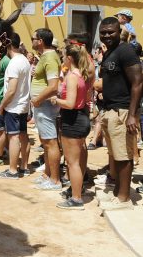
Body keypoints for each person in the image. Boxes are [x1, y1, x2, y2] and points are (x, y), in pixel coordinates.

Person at [97, 17, 142, 211]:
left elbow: (138, 83)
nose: (107, 35)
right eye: (103, 32)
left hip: (122, 111)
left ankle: (124, 198)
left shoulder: (125, 51)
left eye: (111, 32)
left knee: (124, 156)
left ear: (118, 31)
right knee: (115, 154)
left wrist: (132, 114)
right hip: (109, 110)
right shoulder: (110, 53)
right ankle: (118, 192)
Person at [50, 42, 91, 209]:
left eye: (63, 56)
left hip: (73, 120)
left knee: (72, 162)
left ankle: (76, 198)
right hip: (80, 119)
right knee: (77, 160)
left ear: (69, 58)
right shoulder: (80, 75)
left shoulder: (72, 77)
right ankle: (76, 191)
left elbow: (70, 103)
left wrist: (55, 100)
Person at [0, 33, 31, 179]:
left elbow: (11, 90)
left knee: (14, 137)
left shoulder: (14, 63)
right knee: (23, 136)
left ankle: (13, 170)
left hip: (14, 105)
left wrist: (2, 105)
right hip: (23, 105)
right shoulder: (24, 60)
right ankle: (24, 167)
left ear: (8, 45)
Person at [30, 28, 62, 190]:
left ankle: (55, 180)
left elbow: (53, 86)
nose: (32, 41)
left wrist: (37, 99)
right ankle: (48, 174)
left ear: (40, 40)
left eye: (33, 38)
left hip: (44, 105)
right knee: (46, 142)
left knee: (50, 142)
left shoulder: (49, 57)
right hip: (42, 105)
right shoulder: (46, 56)